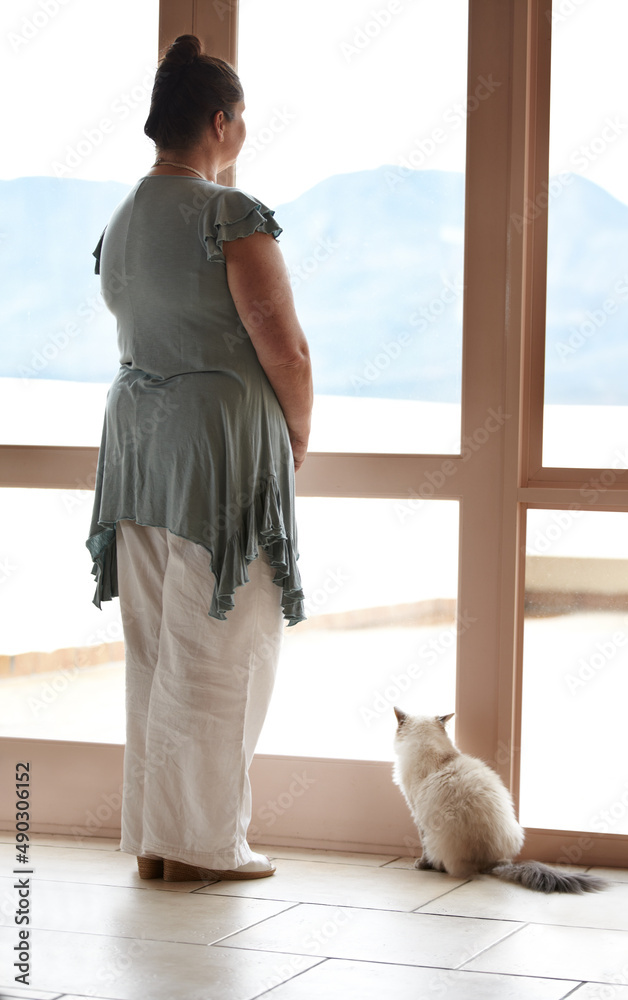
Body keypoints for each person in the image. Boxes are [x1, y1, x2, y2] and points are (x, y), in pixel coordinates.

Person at [86, 34, 312, 882]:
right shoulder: (230, 213)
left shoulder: (122, 218)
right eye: (241, 115)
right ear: (221, 122)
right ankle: (209, 845)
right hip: (222, 450)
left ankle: (156, 840)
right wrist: (297, 433)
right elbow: (282, 348)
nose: (244, 129)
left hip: (138, 449)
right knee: (225, 648)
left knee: (155, 649)